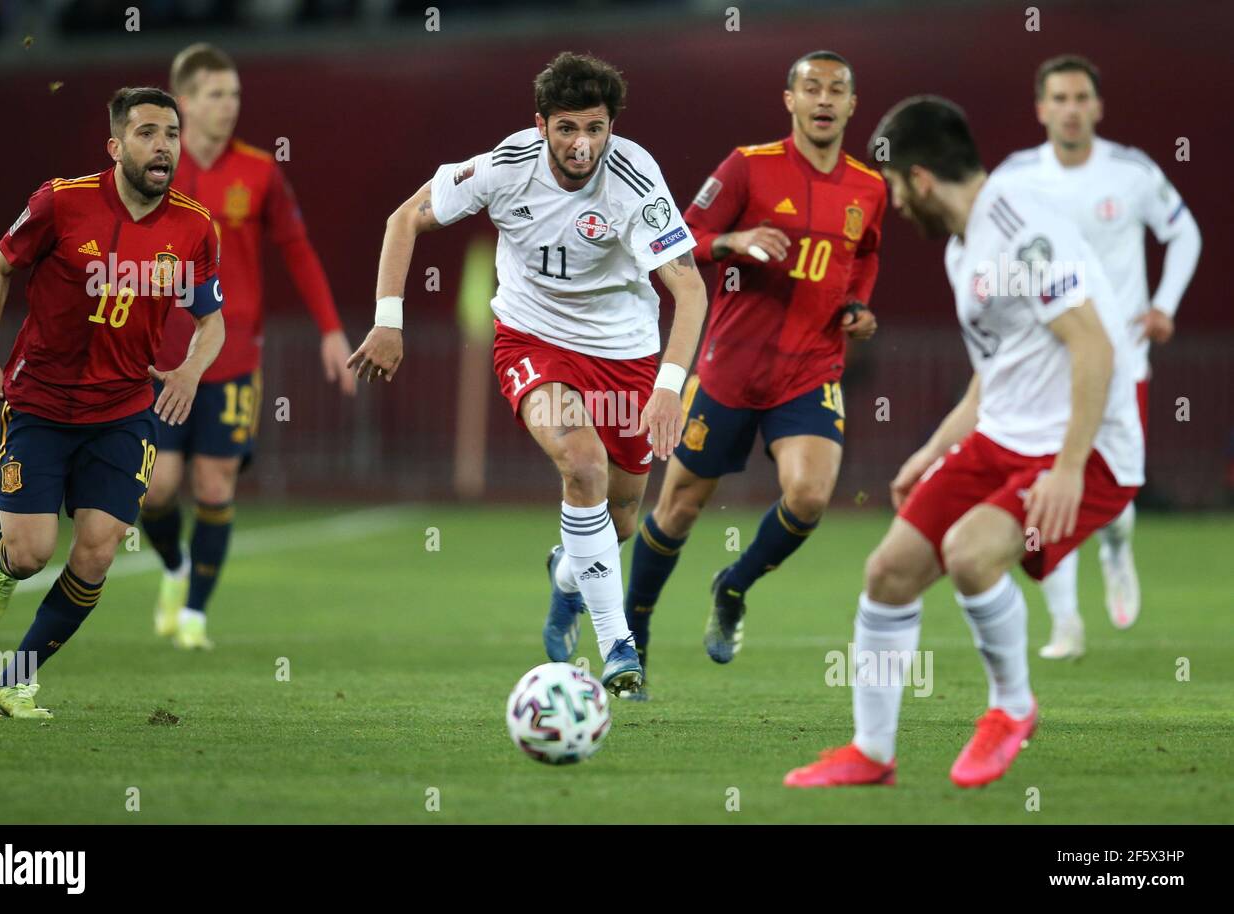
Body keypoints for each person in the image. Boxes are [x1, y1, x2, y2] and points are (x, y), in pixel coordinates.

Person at [786, 96, 1142, 788]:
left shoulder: (1020, 228)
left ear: (920, 179)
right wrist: (933, 450)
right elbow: (995, 373)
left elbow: (1093, 347)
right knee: (888, 573)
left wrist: (1068, 469)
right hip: (1005, 437)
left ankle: (1012, 709)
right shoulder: (963, 247)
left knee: (971, 555)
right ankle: (872, 751)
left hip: (1091, 446)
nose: (890, 204)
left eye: (891, 188)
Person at [347, 52, 708, 695]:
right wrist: (389, 320)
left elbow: (691, 291)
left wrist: (667, 390)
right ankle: (619, 648)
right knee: (582, 465)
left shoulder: (635, 178)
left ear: (611, 128)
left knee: (620, 521)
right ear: (540, 125)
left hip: (626, 354)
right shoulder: (504, 166)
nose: (583, 143)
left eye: (596, 128)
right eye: (568, 127)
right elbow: (404, 218)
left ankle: (567, 574)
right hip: (532, 341)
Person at [623, 51, 885, 699]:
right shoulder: (749, 166)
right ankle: (631, 639)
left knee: (810, 495)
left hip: (810, 369)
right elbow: (683, 236)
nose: (824, 99)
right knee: (677, 510)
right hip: (728, 371)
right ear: (789, 99)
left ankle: (732, 585)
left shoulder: (870, 188)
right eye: (811, 87)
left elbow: (864, 257)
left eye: (837, 90)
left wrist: (855, 307)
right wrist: (733, 244)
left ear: (853, 106)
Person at [0, 87, 225, 718]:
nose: (162, 145)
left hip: (123, 409)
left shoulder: (194, 227)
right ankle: (3, 566)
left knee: (100, 546)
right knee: (31, 553)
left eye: (171, 133)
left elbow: (212, 320)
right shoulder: (61, 202)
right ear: (115, 146)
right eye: (146, 133)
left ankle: (17, 679)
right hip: (40, 403)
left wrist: (191, 369)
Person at [140, 43, 356, 651]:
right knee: (155, 488)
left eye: (235, 94)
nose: (229, 105)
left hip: (233, 358)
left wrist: (331, 329)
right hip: (158, 359)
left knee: (214, 486)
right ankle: (175, 569)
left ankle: (195, 617)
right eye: (216, 94)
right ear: (183, 102)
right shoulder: (154, 169)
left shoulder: (260, 172)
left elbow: (297, 248)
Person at [994, 55, 1201, 659]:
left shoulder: (1131, 172)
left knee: (1109, 494)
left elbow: (1185, 233)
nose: (1071, 109)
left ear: (1097, 107)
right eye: (1058, 98)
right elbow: (989, 247)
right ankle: (1065, 623)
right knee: (1048, 488)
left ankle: (1115, 547)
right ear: (1041, 108)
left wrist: (1163, 305)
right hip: (1047, 364)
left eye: (1081, 97)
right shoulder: (1014, 177)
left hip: (1122, 361)